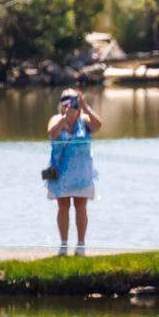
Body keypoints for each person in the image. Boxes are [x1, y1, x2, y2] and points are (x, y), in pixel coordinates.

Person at [46, 89, 102, 256]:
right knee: (62, 207)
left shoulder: (84, 120)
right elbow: (51, 133)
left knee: (81, 207)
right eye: (67, 104)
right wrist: (65, 118)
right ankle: (63, 245)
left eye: (73, 104)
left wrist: (85, 107)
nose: (70, 107)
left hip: (82, 172)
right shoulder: (56, 119)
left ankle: (81, 245)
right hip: (60, 172)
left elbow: (98, 125)